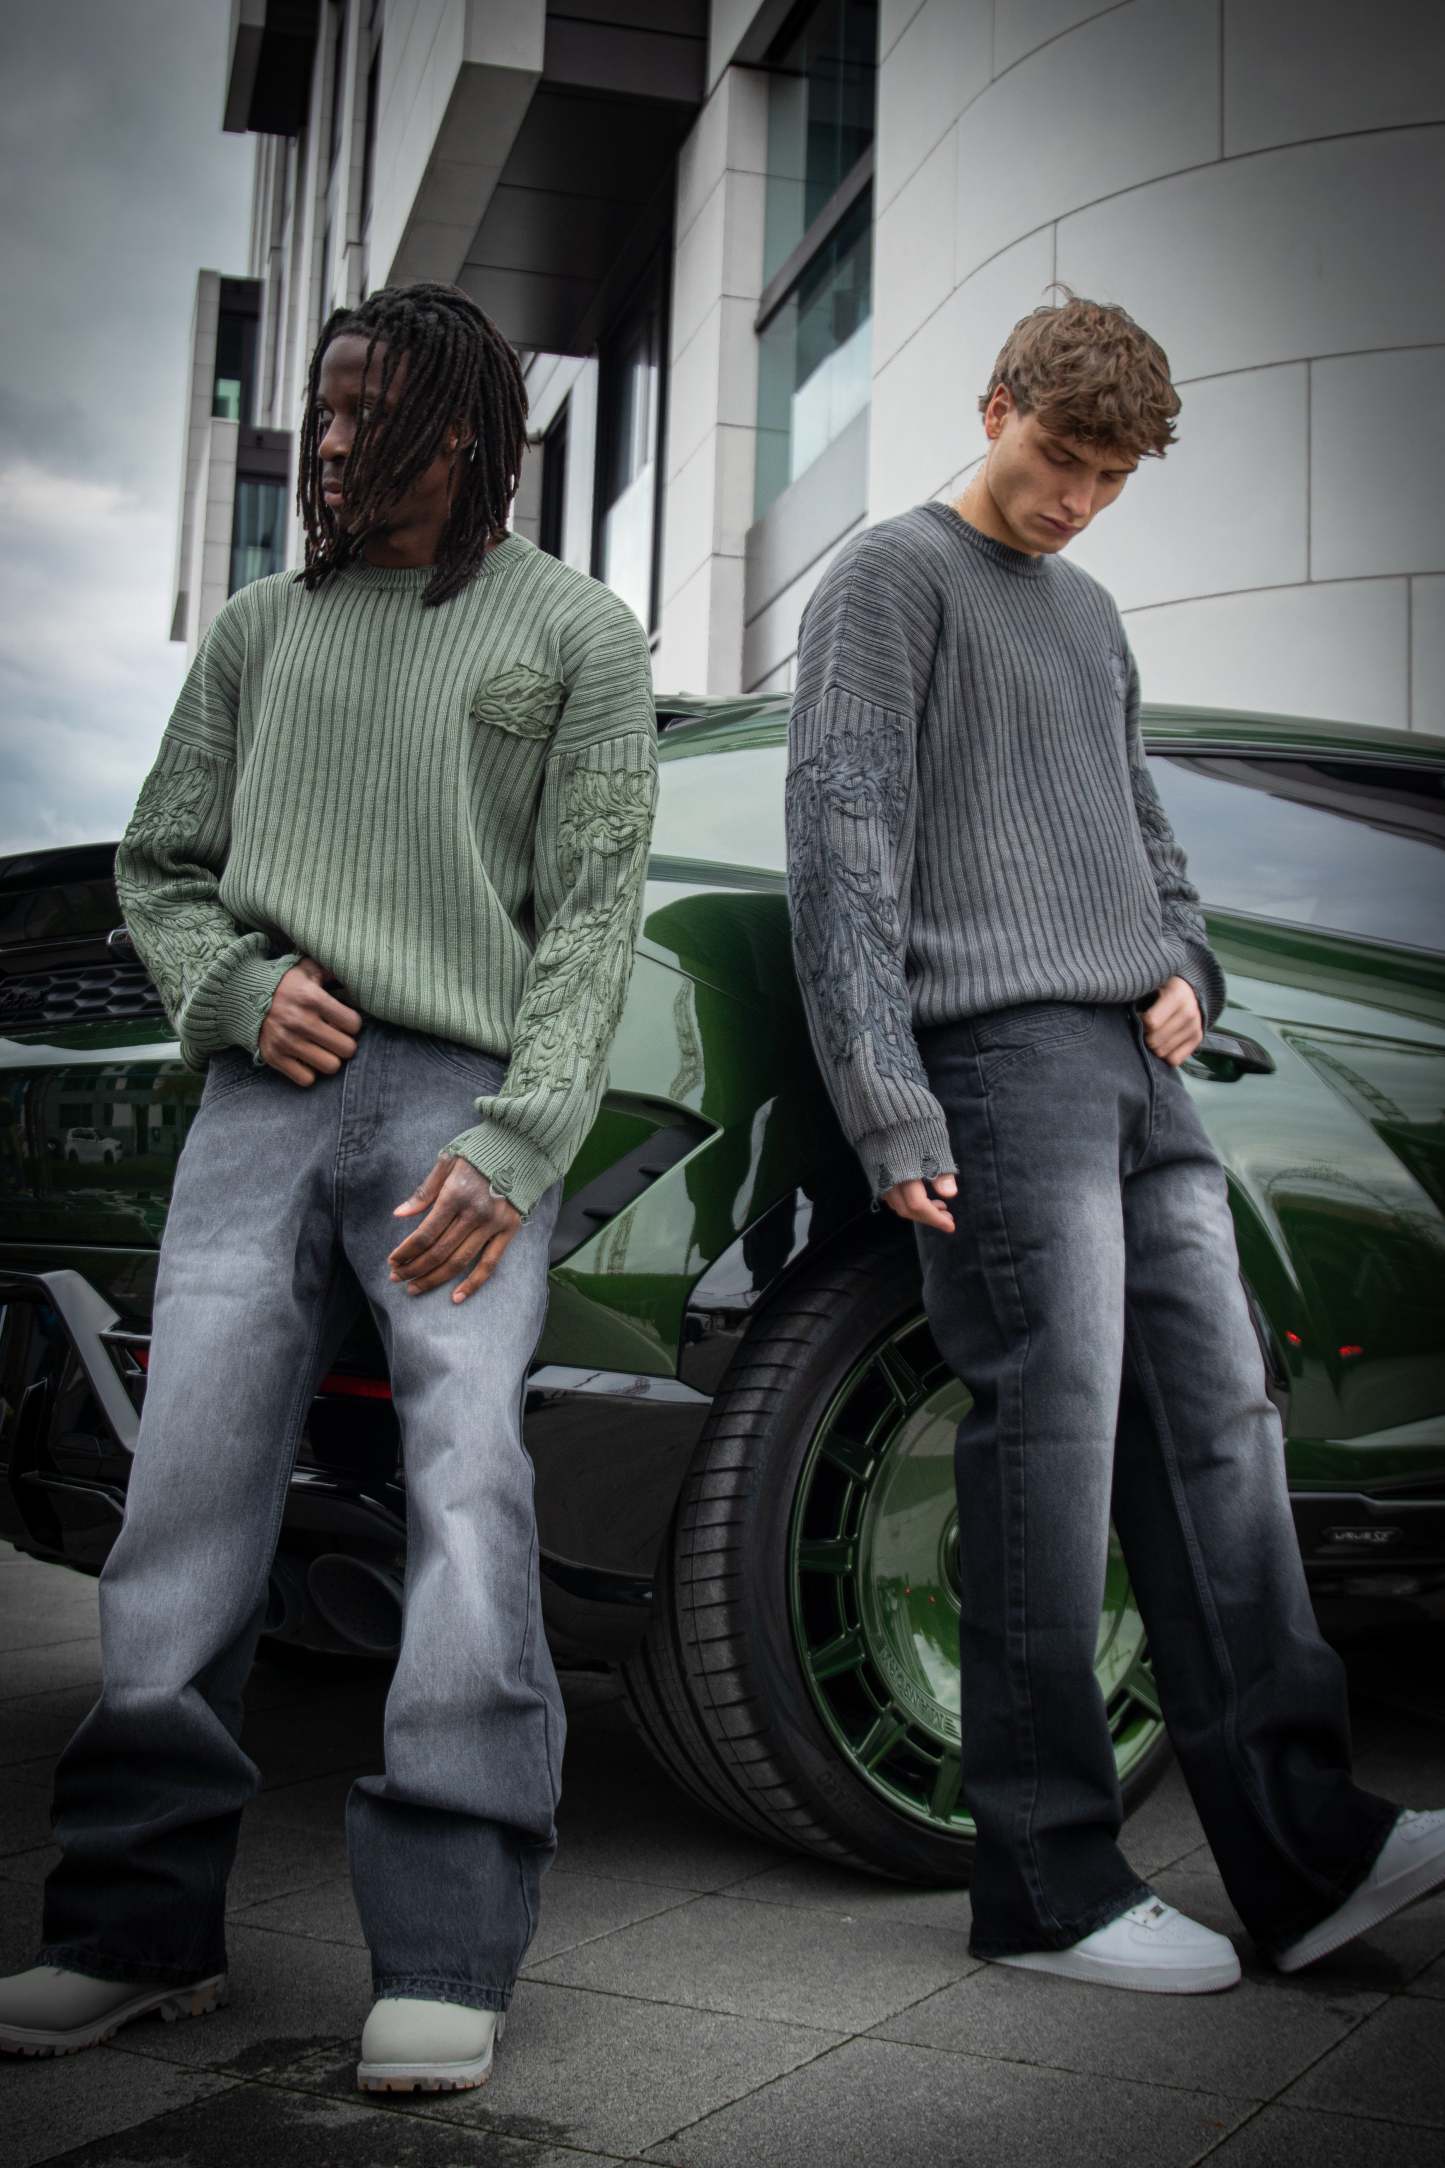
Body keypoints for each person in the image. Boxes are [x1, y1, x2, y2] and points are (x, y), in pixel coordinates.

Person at [0, 283, 657, 2082]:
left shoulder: (575, 632)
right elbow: (161, 862)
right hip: (262, 1105)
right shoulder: (257, 631)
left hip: (457, 1118)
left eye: (380, 409)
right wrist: (228, 987)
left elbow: (593, 912)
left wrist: (517, 1140)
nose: (342, 439)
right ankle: (132, 1931)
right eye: (329, 406)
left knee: (466, 1493)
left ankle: (448, 1949)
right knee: (186, 1502)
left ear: (473, 427)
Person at [784, 295, 1444, 1993]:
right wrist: (885, 1097)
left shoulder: (1087, 613)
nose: (1074, 499)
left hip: (1145, 1074)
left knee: (1221, 1434)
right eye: (1056, 455)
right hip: (998, 1068)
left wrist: (1190, 966)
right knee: (1050, 1454)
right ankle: (1046, 1887)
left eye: (1109, 476)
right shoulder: (888, 578)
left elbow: (1147, 840)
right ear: (992, 407)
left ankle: (1307, 1856)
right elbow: (841, 847)